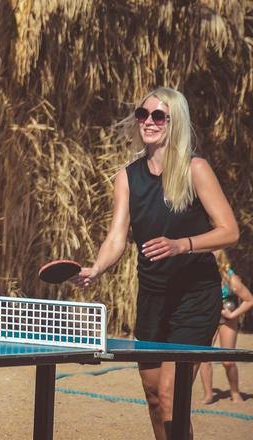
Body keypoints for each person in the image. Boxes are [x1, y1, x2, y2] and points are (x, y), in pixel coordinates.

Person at [73, 87, 239, 440]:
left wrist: (184, 245)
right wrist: (96, 269)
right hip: (152, 298)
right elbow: (117, 236)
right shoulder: (126, 177)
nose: (148, 121)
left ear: (174, 122)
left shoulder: (196, 169)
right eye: (143, 114)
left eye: (158, 116)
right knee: (153, 398)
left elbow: (229, 231)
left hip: (194, 299)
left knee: (169, 396)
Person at [199, 250, 253, 403]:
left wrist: (233, 315)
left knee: (228, 360)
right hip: (208, 318)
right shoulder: (201, 275)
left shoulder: (230, 277)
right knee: (204, 357)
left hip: (227, 319)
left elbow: (249, 300)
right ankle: (208, 394)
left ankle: (235, 392)